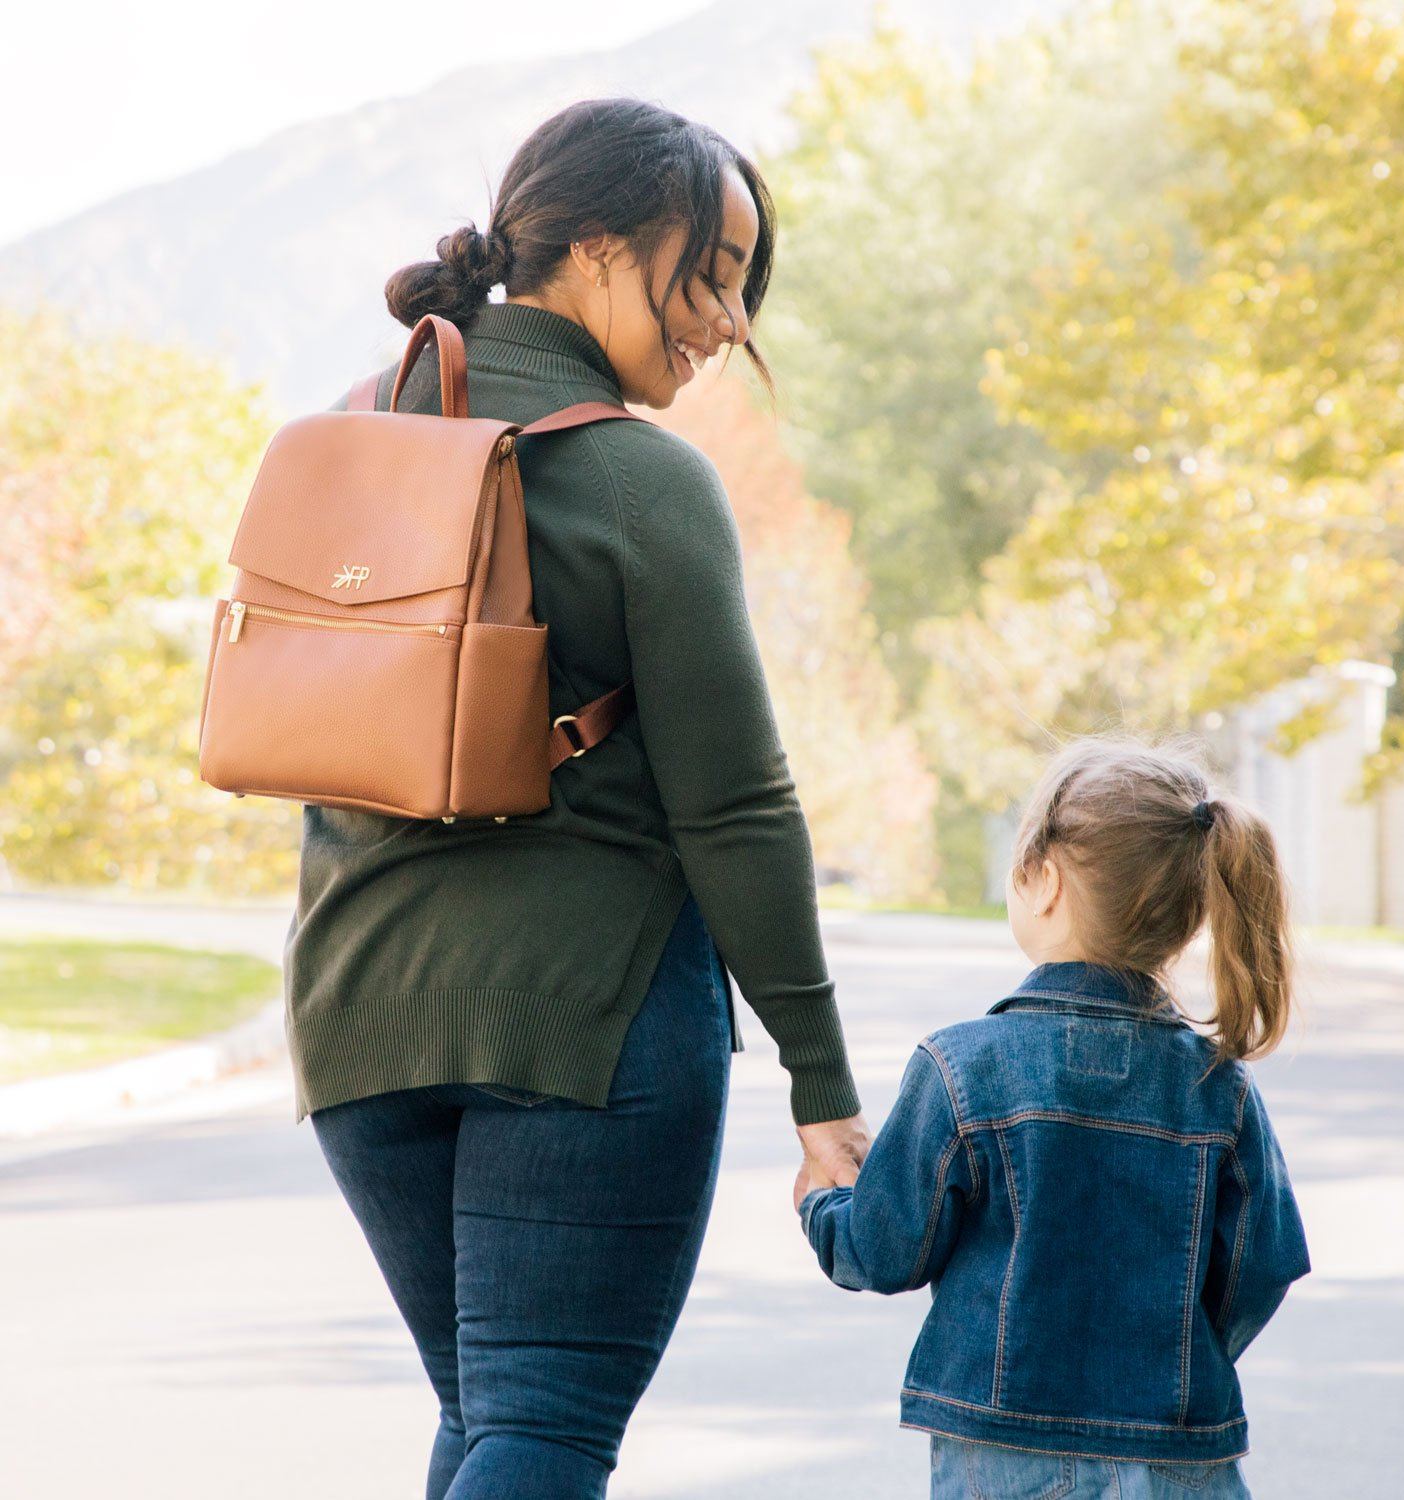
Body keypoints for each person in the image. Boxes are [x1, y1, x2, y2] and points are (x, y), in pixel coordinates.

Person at [298, 97, 871, 1500]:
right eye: (715, 270)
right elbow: (734, 808)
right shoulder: (638, 481)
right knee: (542, 1425)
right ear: (603, 248)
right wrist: (823, 1084)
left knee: (494, 1416)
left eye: (745, 286)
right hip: (583, 1035)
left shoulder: (339, 439)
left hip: (358, 1026)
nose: (729, 319)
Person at [796, 733, 1311, 1499]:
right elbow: (1261, 1266)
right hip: (1175, 1448)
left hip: (1001, 1449)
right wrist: (1179, 1355)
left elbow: (883, 1249)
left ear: (1042, 881)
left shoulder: (962, 1067)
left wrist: (822, 1204)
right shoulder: (1218, 1088)